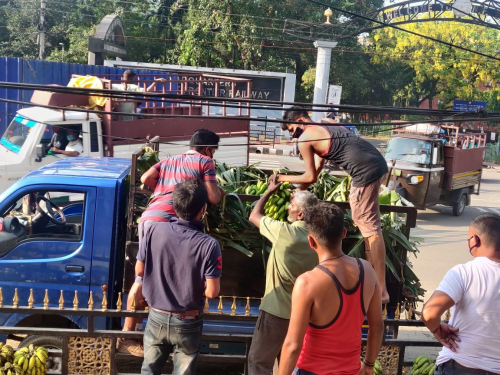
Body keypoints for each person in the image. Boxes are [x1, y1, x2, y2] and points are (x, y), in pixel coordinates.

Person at [117, 129, 225, 356]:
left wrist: (162, 192)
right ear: (207, 149)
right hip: (167, 222)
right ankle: (127, 337)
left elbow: (146, 178)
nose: (212, 155)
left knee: (141, 275)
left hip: (148, 217)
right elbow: (213, 197)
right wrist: (221, 192)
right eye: (213, 151)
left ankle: (129, 332)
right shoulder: (205, 162)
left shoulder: (169, 160)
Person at [278, 106, 390, 303]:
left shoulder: (305, 138)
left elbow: (310, 176)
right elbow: (317, 170)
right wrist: (298, 190)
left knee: (369, 228)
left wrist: (280, 178)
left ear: (301, 121)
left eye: (293, 130)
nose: (294, 136)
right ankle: (375, 282)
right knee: (368, 224)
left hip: (363, 171)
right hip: (377, 163)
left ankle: (380, 289)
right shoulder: (326, 123)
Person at [279, 201, 384, 375]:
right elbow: (378, 326)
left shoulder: (307, 283)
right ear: (344, 233)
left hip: (311, 370)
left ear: (311, 241)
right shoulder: (367, 270)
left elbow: (292, 345)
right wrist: (369, 364)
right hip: (351, 370)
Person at [136, 179, 222, 375]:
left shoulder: (153, 230)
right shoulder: (209, 245)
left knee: (149, 370)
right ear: (203, 210)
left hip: (156, 315)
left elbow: (139, 270)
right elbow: (212, 292)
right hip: (187, 321)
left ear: (174, 206)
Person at [247, 177, 319, 375]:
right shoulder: (319, 238)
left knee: (259, 362)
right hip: (302, 316)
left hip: (275, 312)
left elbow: (254, 215)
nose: (288, 208)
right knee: (287, 365)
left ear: (301, 214)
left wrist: (269, 191)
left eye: (292, 205)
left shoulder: (284, 232)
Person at [421, 213, 500, 374]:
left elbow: (429, 313)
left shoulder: (464, 272)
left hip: (459, 365)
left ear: (475, 240)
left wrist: (438, 331)